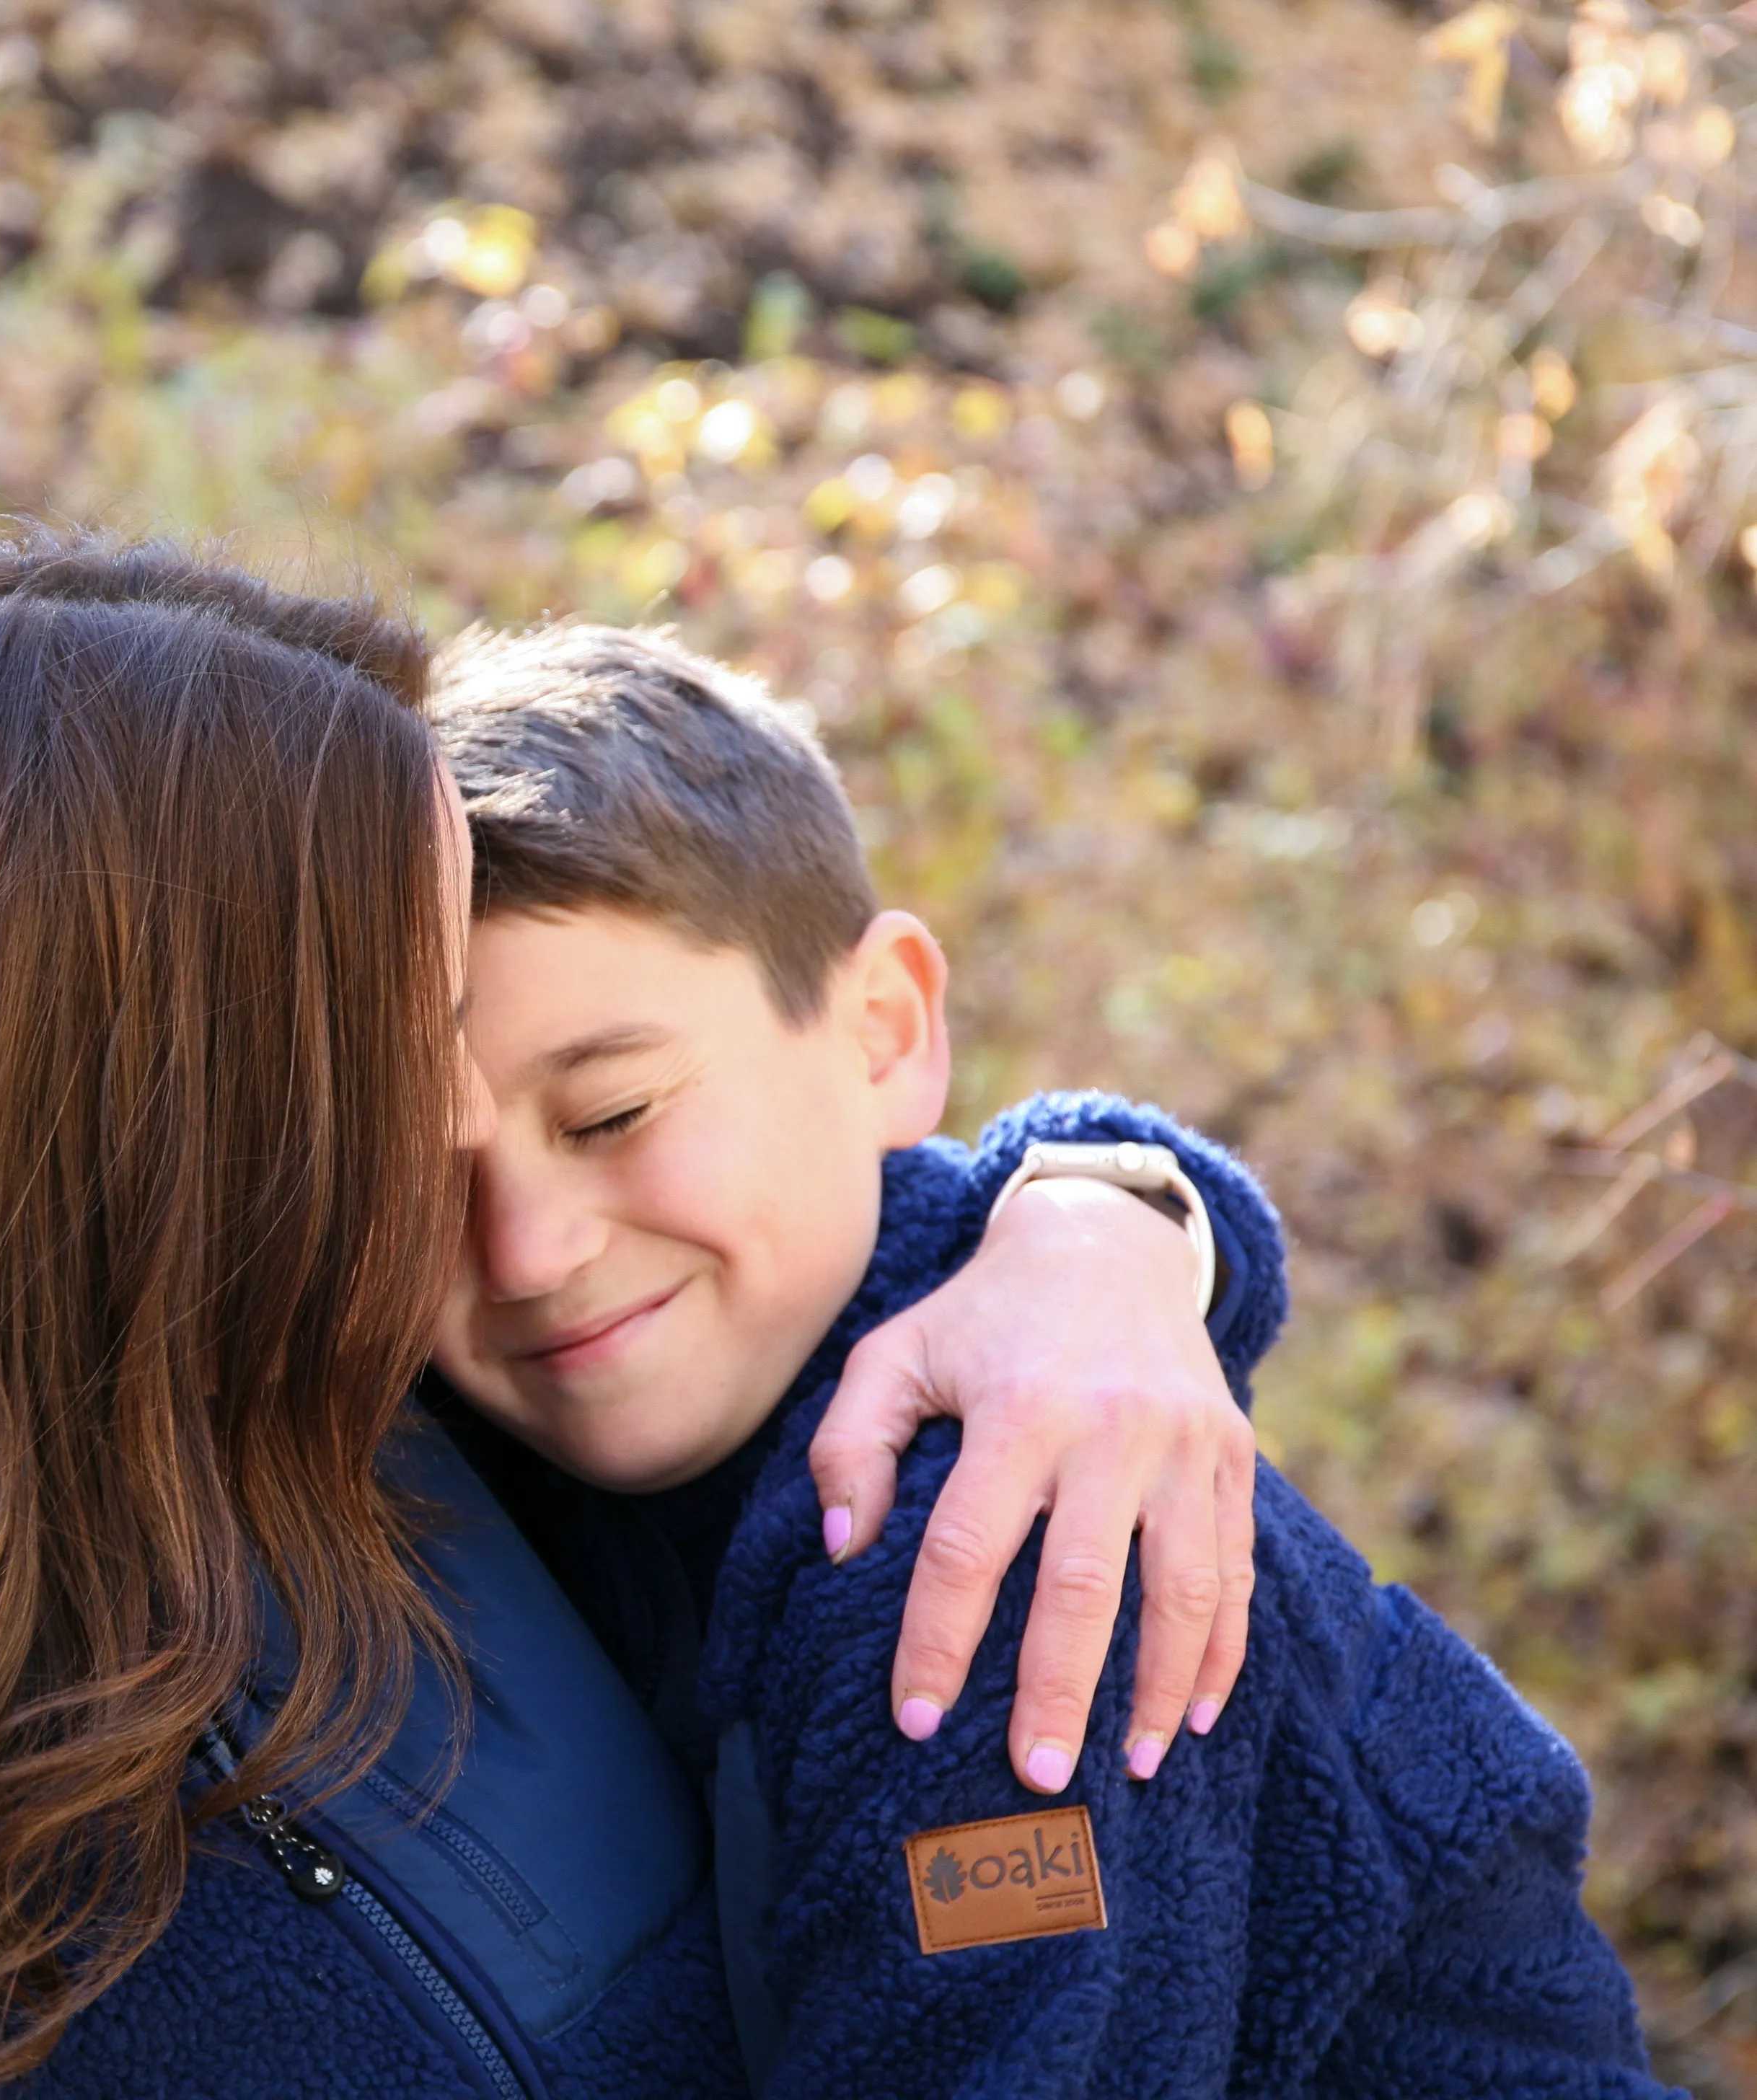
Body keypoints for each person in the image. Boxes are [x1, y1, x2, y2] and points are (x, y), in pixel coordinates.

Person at [0, 531, 1277, 2100]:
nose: (492, 1168)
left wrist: (1108, 1221)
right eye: (406, 1050)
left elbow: (828, 1218)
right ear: (136, 1141)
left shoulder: (422, 1405)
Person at [422, 619, 1673, 2097]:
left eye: (614, 1113)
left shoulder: (992, 1533)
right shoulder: (539, 1447)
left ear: (884, 1035)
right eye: (417, 1177)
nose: (524, 1249)